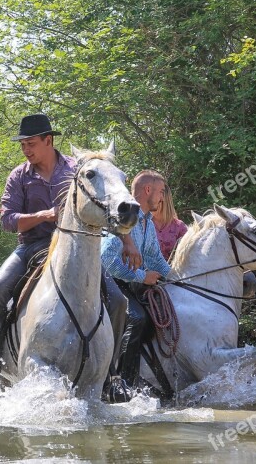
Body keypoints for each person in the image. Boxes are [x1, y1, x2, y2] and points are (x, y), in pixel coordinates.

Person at [0, 114, 141, 361]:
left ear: (48, 140)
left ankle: (111, 373)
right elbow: (7, 220)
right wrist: (44, 215)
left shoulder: (79, 170)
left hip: (76, 248)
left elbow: (109, 206)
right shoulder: (19, 176)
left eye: (31, 144)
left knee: (118, 302)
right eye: (22, 145)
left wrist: (127, 241)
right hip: (32, 247)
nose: (25, 150)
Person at [101, 169, 171, 400]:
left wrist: (177, 279)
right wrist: (142, 277)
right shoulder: (125, 217)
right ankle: (121, 383)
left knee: (151, 315)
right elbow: (107, 261)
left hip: (127, 283)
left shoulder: (148, 224)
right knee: (137, 317)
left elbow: (155, 258)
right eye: (160, 192)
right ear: (147, 190)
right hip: (108, 281)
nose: (162, 198)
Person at [153, 183, 188, 260]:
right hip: (147, 271)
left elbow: (187, 256)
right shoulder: (143, 224)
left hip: (173, 271)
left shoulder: (179, 227)